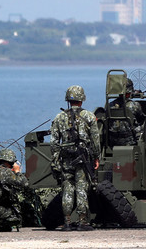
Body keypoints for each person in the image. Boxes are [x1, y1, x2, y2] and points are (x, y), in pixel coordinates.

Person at [50, 85, 100, 231]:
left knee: (67, 187)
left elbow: (53, 142)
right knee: (81, 186)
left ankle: (66, 222)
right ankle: (82, 221)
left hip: (65, 158)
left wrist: (55, 159)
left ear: (68, 100)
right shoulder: (89, 116)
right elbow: (95, 140)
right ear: (82, 100)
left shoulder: (59, 118)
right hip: (83, 158)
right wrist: (96, 157)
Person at [107, 78, 146, 147]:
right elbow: (142, 119)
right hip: (130, 142)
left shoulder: (109, 106)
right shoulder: (134, 105)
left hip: (112, 142)